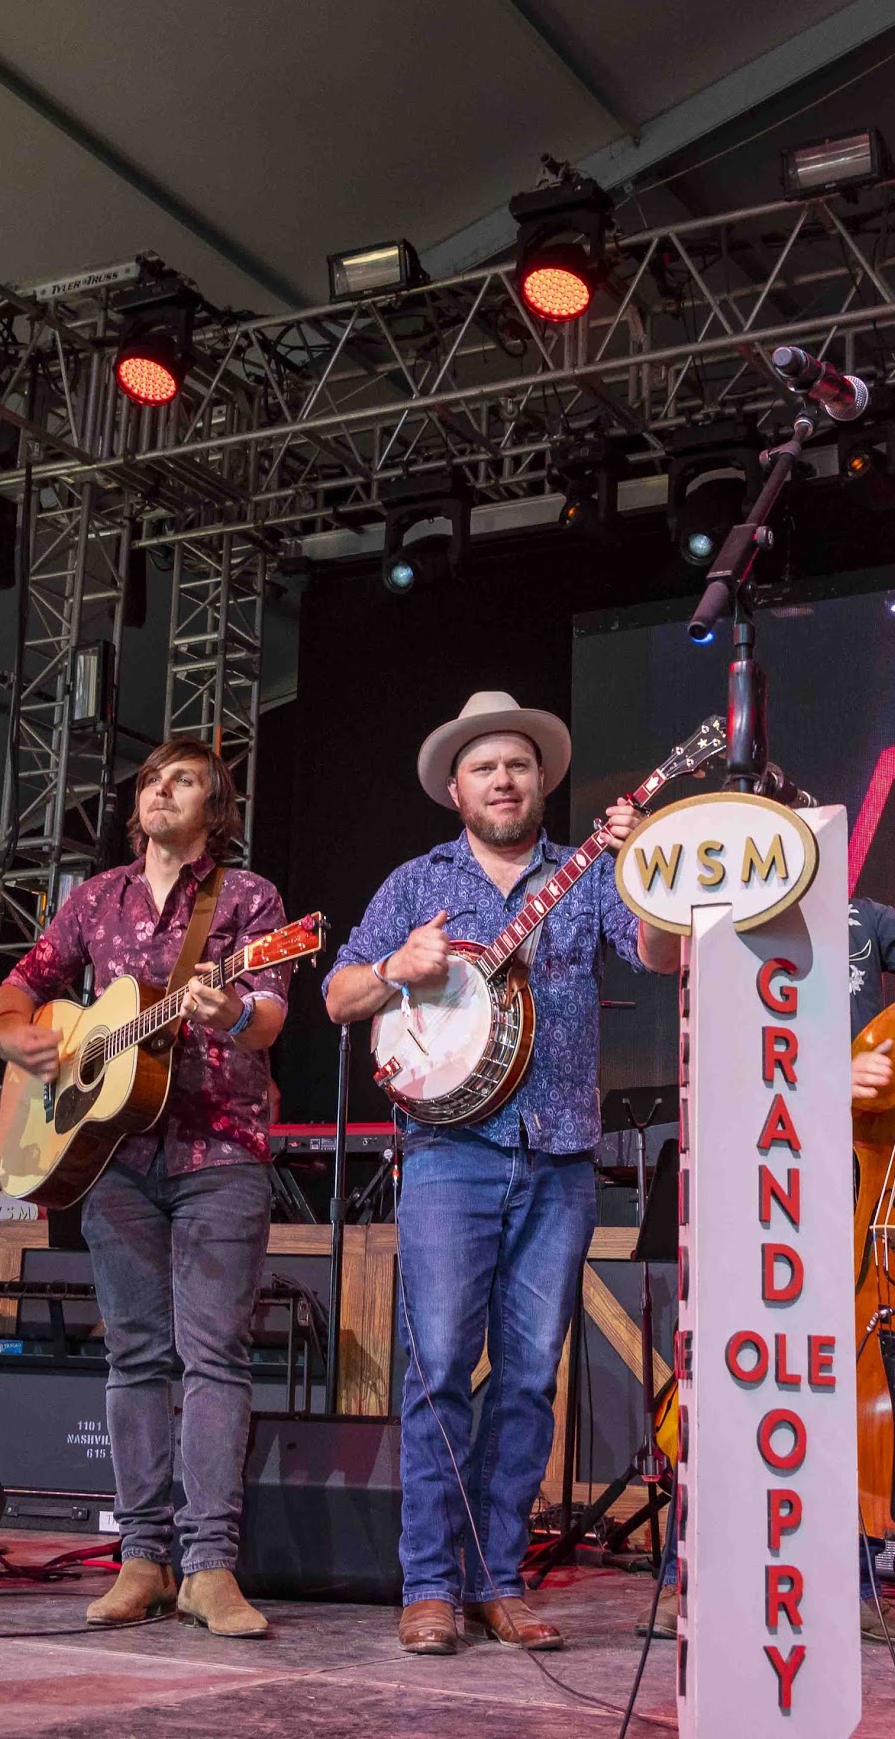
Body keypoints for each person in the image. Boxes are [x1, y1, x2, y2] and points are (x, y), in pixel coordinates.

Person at [640, 779, 895, 1643]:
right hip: (746, 1182)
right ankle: (702, 1579)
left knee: (833, 1371)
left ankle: (847, 1589)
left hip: (848, 1185)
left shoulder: (860, 918)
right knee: (730, 1376)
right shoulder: (714, 933)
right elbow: (708, 1059)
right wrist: (820, 1075)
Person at [323, 691, 653, 1658]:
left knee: (526, 1383)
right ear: (455, 790)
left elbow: (663, 950)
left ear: (542, 780)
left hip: (558, 1157)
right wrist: (397, 964)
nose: (503, 779)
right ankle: (429, 1584)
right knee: (436, 1379)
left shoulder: (586, 875)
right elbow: (340, 994)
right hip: (447, 1158)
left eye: (518, 764)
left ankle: (496, 1580)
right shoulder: (415, 881)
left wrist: (641, 868)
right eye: (484, 768)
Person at [0, 739, 293, 1641]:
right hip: (114, 1159)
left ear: (216, 805)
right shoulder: (95, 899)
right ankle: (142, 1559)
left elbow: (270, 1013)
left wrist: (230, 1011)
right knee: (132, 1358)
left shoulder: (250, 900)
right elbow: (21, 986)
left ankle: (210, 1568)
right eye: (153, 780)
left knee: (214, 1358)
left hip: (219, 1154)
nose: (163, 790)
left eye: (185, 780)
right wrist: (16, 1036)